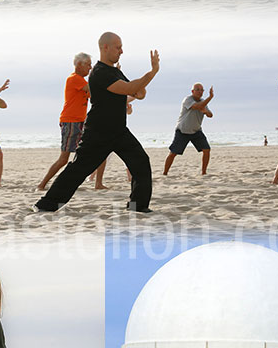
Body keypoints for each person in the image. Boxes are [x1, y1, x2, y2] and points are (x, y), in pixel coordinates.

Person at [34, 32, 159, 214]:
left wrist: (137, 88)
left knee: (141, 162)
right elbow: (132, 88)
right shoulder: (99, 73)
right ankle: (45, 206)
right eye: (118, 47)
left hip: (119, 130)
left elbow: (138, 93)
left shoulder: (115, 71)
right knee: (78, 170)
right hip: (99, 132)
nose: (121, 51)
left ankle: (137, 207)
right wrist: (152, 73)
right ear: (105, 47)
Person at [38, 53, 92, 191]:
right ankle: (42, 185)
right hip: (70, 122)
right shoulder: (74, 79)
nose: (90, 68)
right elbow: (92, 89)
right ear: (79, 64)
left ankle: (95, 183)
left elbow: (95, 94)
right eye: (88, 65)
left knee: (87, 154)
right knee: (63, 159)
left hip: (80, 122)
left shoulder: (82, 81)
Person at [163, 84, 214, 175]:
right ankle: (165, 173)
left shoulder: (203, 102)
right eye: (197, 89)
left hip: (196, 131)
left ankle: (204, 172)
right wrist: (210, 97)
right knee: (173, 153)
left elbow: (210, 115)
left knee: (206, 150)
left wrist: (206, 111)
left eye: (202, 90)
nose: (200, 91)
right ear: (192, 91)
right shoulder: (188, 100)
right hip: (182, 131)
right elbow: (197, 106)